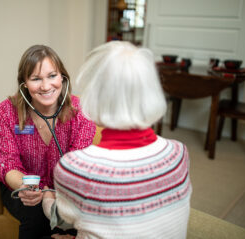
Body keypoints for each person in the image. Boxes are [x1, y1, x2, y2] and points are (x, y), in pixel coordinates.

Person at [42, 41, 192, 239]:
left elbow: (61, 219)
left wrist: (46, 197)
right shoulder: (179, 152)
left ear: (94, 95)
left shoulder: (77, 167)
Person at [0, 44, 96, 239]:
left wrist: (53, 194)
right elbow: (9, 165)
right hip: (23, 187)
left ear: (62, 78)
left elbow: (78, 166)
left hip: (67, 187)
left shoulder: (82, 111)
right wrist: (29, 189)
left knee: (78, 218)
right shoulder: (5, 112)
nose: (46, 86)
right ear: (24, 84)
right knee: (36, 213)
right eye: (36, 79)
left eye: (52, 76)